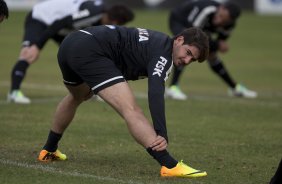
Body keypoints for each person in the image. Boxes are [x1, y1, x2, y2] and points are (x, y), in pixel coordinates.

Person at [37, 25, 209, 178]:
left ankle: (49, 150)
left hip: (70, 43)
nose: (187, 61)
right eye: (188, 53)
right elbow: (155, 91)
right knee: (131, 110)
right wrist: (161, 132)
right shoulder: (164, 54)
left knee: (79, 95)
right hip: (91, 51)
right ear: (179, 40)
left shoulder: (159, 40)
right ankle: (169, 165)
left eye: (192, 60)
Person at [7, 0, 134, 104]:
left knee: (82, 55)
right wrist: (38, 45)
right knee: (29, 54)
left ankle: (90, 91)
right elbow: (60, 22)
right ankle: (14, 93)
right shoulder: (92, 13)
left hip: (60, 28)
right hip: (41, 17)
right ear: (114, 20)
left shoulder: (102, 16)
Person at [165, 0, 257, 100]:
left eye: (224, 21)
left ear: (230, 21)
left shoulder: (230, 25)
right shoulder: (206, 10)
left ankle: (235, 88)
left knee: (212, 56)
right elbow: (194, 36)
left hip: (200, 28)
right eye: (219, 16)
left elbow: (217, 44)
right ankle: (173, 87)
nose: (219, 21)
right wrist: (218, 45)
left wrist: (217, 46)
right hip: (179, 19)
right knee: (185, 50)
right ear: (220, 8)